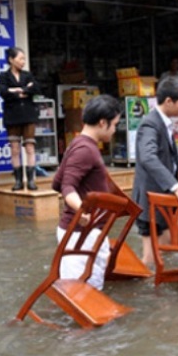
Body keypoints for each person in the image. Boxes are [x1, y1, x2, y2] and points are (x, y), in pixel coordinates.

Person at [131, 79, 178, 267]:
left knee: (167, 253)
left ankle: (160, 288)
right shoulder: (150, 124)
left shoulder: (164, 123)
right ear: (168, 102)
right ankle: (148, 289)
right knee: (152, 259)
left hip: (163, 199)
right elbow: (149, 158)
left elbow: (171, 157)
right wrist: (176, 188)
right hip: (151, 200)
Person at [51, 94, 122, 290]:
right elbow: (67, 187)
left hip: (81, 232)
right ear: (102, 122)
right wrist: (81, 209)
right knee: (83, 292)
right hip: (81, 233)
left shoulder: (77, 143)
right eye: (114, 124)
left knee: (79, 290)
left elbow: (57, 182)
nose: (115, 130)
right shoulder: (85, 149)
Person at [0, 47, 42, 191]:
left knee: (30, 147)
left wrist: (17, 90)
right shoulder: (4, 76)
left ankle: (31, 181)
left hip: (28, 114)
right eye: (20, 58)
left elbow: (36, 88)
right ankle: (18, 181)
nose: (23, 61)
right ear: (11, 59)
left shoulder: (28, 75)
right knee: (15, 149)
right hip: (12, 116)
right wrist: (22, 91)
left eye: (24, 59)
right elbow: (3, 92)